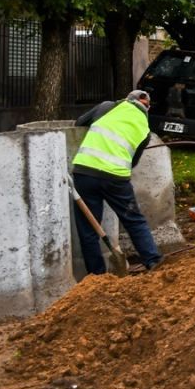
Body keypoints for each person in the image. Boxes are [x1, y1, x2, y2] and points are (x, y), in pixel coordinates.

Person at [71, 90, 162, 274]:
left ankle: (96, 277)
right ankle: (153, 261)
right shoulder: (145, 129)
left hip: (85, 172)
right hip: (116, 179)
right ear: (147, 108)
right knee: (134, 220)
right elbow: (133, 161)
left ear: (128, 99)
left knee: (88, 230)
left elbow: (79, 123)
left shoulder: (107, 107)